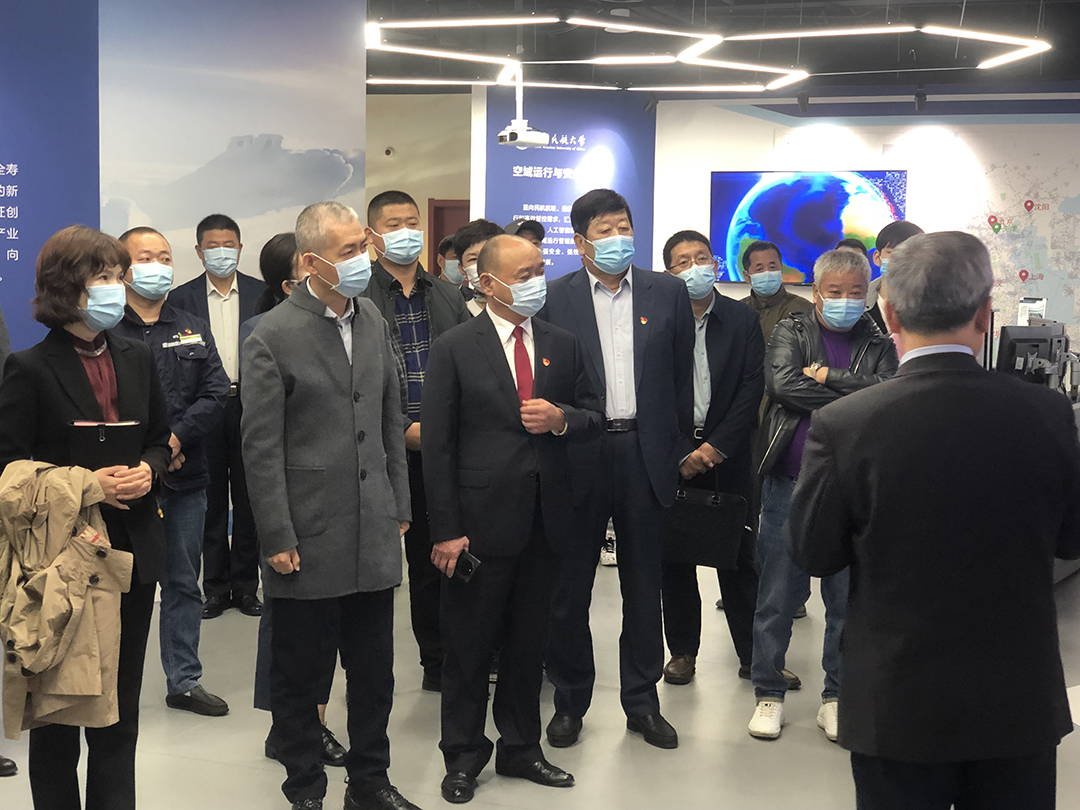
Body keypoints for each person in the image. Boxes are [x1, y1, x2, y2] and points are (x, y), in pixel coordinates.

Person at [789, 231, 1080, 810]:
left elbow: (813, 552)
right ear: (985, 313)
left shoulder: (845, 423)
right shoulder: (1048, 411)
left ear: (889, 314)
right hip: (1015, 696)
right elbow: (1072, 539)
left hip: (896, 699)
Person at [241, 201, 421, 810]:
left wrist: (399, 501)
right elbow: (260, 448)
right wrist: (276, 535)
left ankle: (369, 782)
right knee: (299, 674)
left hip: (373, 526)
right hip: (307, 532)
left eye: (362, 246)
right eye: (348, 251)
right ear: (311, 262)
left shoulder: (371, 317)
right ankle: (305, 790)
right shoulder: (271, 335)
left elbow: (390, 416)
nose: (362, 259)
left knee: (375, 673)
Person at [422, 233, 602, 803]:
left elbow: (594, 415)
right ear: (488, 282)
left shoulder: (562, 343)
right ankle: (462, 755)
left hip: (547, 521)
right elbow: (438, 447)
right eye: (524, 274)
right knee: (468, 648)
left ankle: (522, 748)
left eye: (540, 270)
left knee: (529, 645)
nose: (536, 282)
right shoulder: (455, 346)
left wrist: (562, 419)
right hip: (478, 524)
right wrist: (446, 529)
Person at [0, 225, 172, 810]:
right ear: (66, 286)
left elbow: (159, 437)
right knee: (58, 716)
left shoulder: (137, 356)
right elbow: (9, 469)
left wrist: (149, 469)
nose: (116, 287)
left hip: (133, 550)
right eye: (103, 277)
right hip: (61, 563)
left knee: (119, 713)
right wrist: (85, 484)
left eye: (119, 276)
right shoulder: (28, 367)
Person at [540, 188, 695, 750]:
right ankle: (569, 701)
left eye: (624, 226)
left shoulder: (667, 291)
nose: (617, 238)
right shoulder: (553, 298)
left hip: (644, 453)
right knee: (570, 586)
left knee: (643, 585)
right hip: (577, 450)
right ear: (580, 241)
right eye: (605, 230)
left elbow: (680, 379)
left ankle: (642, 702)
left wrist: (675, 447)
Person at [748, 248, 898, 743]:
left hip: (852, 488)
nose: (845, 300)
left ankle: (835, 697)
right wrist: (856, 394)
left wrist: (829, 376)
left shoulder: (879, 341)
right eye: (835, 292)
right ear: (817, 292)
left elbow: (888, 394)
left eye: (855, 292)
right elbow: (783, 386)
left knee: (845, 602)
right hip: (791, 481)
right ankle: (768, 693)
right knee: (777, 596)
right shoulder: (790, 331)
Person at [113, 227, 231, 717]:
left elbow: (216, 392)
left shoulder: (191, 325)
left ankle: (184, 680)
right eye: (147, 257)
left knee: (183, 582)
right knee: (119, 585)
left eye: (165, 257)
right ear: (122, 269)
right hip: (123, 484)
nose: (159, 265)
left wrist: (171, 443)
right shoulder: (104, 331)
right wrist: (149, 454)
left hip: (185, 479)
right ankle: (111, 685)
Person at [242, 234, 347, 768]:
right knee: (288, 624)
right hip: (291, 501)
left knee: (330, 623)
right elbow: (263, 441)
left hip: (341, 503)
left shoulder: (352, 323)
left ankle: (307, 722)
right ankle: (293, 725)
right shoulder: (264, 332)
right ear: (290, 283)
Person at [361, 190, 471, 693]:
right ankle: (394, 668)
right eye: (393, 224)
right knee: (392, 565)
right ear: (372, 235)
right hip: (385, 449)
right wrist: (401, 427)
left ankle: (448, 659)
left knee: (445, 554)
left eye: (412, 222)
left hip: (448, 447)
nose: (406, 231)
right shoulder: (361, 296)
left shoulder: (448, 293)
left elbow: (470, 365)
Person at [656, 230, 767, 687]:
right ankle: (682, 652)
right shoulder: (658, 320)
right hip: (675, 454)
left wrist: (717, 446)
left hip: (730, 453)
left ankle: (755, 656)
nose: (694, 268)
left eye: (701, 258)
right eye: (682, 261)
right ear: (669, 272)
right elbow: (652, 391)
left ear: (716, 264)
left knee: (739, 556)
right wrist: (682, 450)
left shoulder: (742, 319)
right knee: (675, 557)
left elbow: (752, 387)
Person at [168, 213, 266, 620]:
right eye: (212, 246)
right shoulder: (181, 299)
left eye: (229, 245)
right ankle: (215, 588)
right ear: (199, 251)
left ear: (240, 248)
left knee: (249, 498)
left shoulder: (261, 293)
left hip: (251, 405)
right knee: (210, 500)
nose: (221, 253)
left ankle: (245, 587)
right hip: (204, 408)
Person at [738, 240, 812, 345]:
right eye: (759, 269)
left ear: (781, 269)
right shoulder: (737, 312)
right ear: (747, 276)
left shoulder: (803, 309)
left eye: (772, 267)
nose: (767, 273)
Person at [866, 220, 923, 334]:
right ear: (877, 258)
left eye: (911, 254)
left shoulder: (936, 307)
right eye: (893, 253)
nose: (902, 261)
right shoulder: (858, 304)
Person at [453, 219, 505, 316]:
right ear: (462, 269)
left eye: (490, 256)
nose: (483, 264)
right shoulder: (458, 317)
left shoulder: (524, 312)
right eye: (473, 259)